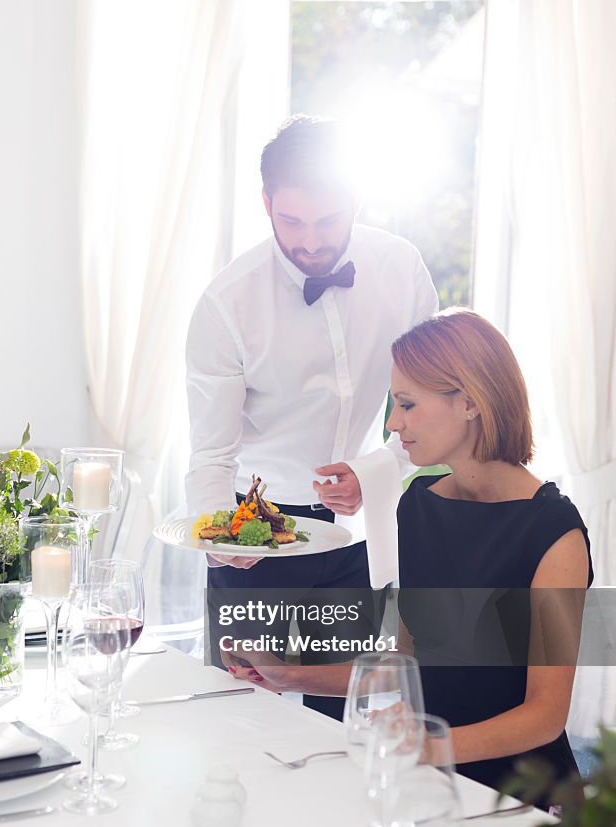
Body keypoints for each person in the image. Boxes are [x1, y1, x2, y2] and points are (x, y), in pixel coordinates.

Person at [228, 309, 593, 797]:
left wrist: (424, 746)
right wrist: (287, 674)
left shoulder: (555, 532)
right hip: (429, 779)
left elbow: (545, 716)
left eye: (406, 404)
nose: (394, 425)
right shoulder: (418, 505)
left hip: (521, 797)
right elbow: (407, 659)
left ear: (468, 402)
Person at [185, 115, 438, 719]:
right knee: (239, 715)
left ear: (355, 198)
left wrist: (376, 471)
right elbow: (211, 454)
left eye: (327, 220)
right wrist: (220, 537)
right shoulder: (227, 303)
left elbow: (433, 410)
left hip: (355, 532)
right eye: (290, 221)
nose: (310, 241)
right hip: (257, 533)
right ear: (266, 202)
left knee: (337, 715)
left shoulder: (401, 271)